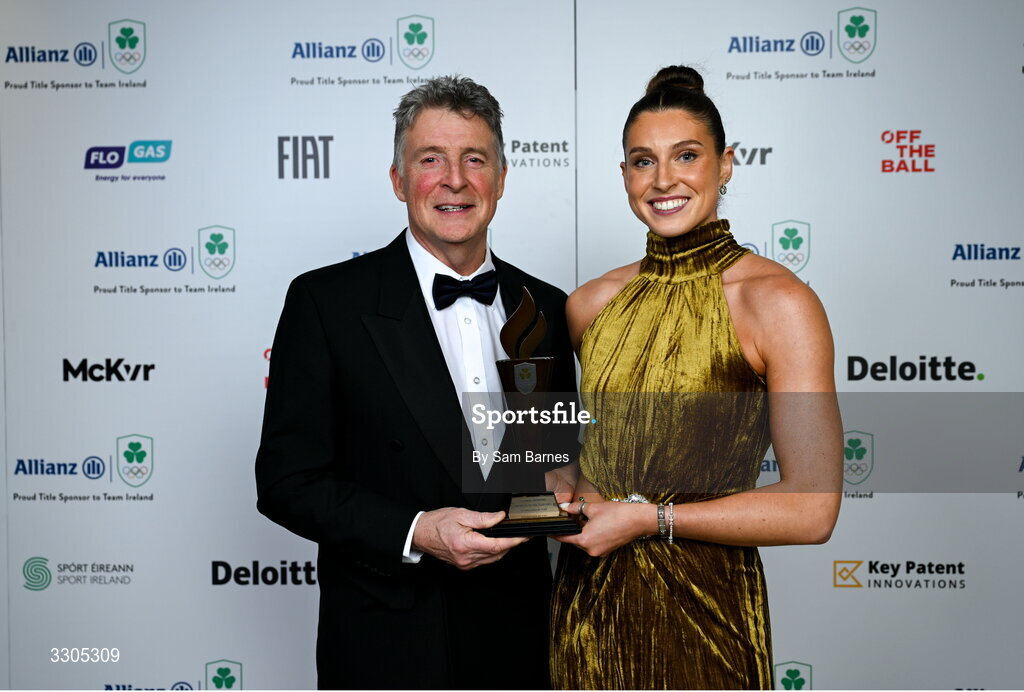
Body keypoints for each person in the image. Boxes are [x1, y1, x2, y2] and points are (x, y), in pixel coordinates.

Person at [255, 75, 576, 690]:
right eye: (431, 159)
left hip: (520, 643)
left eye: (474, 159)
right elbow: (286, 483)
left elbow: (544, 465)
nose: (454, 179)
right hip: (389, 645)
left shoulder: (548, 306)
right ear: (399, 179)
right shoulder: (326, 303)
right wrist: (415, 532)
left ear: (502, 180)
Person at [548, 65, 843, 689]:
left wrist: (650, 519)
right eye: (641, 161)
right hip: (588, 615)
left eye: (686, 155)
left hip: (707, 618)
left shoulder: (779, 303)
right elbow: (594, 458)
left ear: (726, 164)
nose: (663, 180)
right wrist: (567, 482)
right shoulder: (589, 305)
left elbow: (813, 508)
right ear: (624, 174)